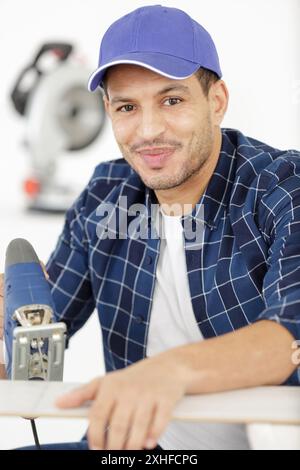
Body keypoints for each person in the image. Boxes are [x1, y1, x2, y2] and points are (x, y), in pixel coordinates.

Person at [1, 4, 300, 451]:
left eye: (171, 100)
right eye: (126, 106)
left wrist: (169, 371)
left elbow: (290, 333)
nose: (148, 130)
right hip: (132, 450)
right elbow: (37, 345)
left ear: (216, 101)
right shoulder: (106, 193)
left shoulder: (282, 187)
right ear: (107, 109)